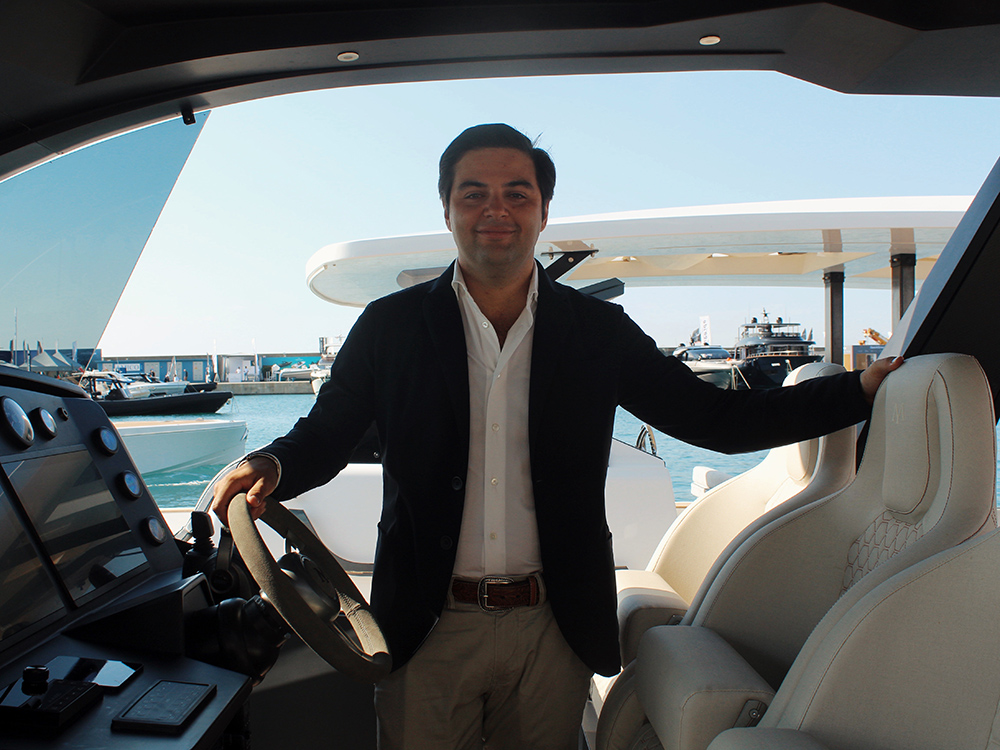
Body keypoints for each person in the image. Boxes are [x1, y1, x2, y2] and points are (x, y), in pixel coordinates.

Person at [212, 123, 901, 749]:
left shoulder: (596, 333)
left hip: (554, 625)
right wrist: (272, 463)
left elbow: (712, 421)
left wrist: (855, 392)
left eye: (517, 193)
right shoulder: (389, 328)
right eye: (474, 193)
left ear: (543, 212)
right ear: (447, 208)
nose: (496, 210)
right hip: (427, 623)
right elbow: (327, 435)